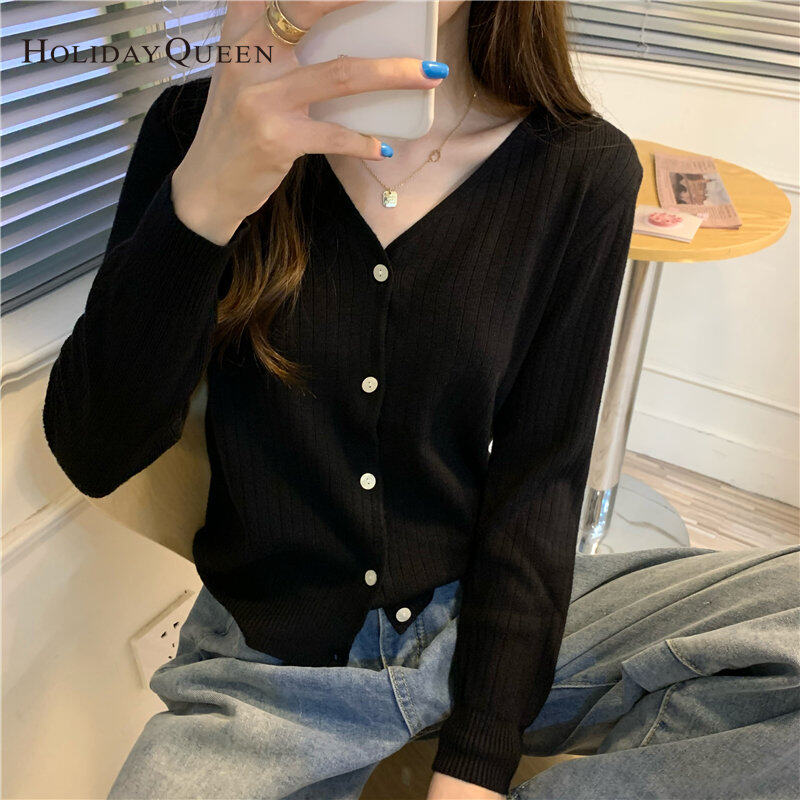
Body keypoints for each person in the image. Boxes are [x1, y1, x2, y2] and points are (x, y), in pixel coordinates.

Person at [41, 2, 799, 799]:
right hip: (270, 669)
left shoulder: (579, 168)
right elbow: (95, 453)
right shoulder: (200, 128)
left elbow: (541, 476)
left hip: (480, 614)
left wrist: (478, 762)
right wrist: (206, 194)